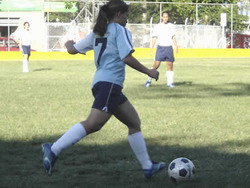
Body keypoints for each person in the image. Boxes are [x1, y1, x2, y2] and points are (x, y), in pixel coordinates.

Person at [42, 0, 165, 179]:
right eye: (126, 15)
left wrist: (69, 43)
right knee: (94, 123)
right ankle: (53, 149)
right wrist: (149, 71)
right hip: (110, 85)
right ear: (119, 14)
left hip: (102, 84)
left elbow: (72, 50)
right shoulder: (119, 30)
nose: (127, 19)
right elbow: (126, 57)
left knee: (133, 123)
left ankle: (148, 167)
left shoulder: (98, 31)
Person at [144, 12, 178, 88]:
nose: (165, 18)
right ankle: (149, 80)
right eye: (164, 17)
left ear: (168, 18)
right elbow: (154, 37)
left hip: (169, 48)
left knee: (170, 65)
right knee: (156, 65)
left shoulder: (171, 26)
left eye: (167, 17)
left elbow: (173, 37)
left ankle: (170, 83)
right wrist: (151, 48)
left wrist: (176, 46)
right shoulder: (158, 27)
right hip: (160, 48)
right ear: (162, 17)